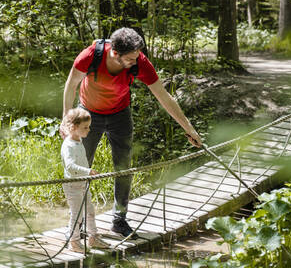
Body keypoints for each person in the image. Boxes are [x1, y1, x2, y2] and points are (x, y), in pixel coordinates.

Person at [62, 27, 202, 239]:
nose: (135, 62)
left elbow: (164, 97)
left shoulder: (141, 62)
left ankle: (119, 220)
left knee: (123, 166)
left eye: (137, 57)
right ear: (115, 53)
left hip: (120, 114)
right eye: (130, 58)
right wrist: (66, 119)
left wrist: (188, 128)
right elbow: (71, 85)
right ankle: (78, 222)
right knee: (81, 167)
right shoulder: (90, 56)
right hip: (88, 114)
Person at [60, 107, 110, 253]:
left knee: (90, 211)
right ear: (74, 128)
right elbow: (70, 166)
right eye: (85, 127)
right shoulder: (68, 145)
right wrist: (88, 172)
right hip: (72, 185)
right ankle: (74, 241)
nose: (89, 130)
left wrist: (87, 174)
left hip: (83, 183)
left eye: (88, 127)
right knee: (77, 214)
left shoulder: (79, 139)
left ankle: (93, 237)